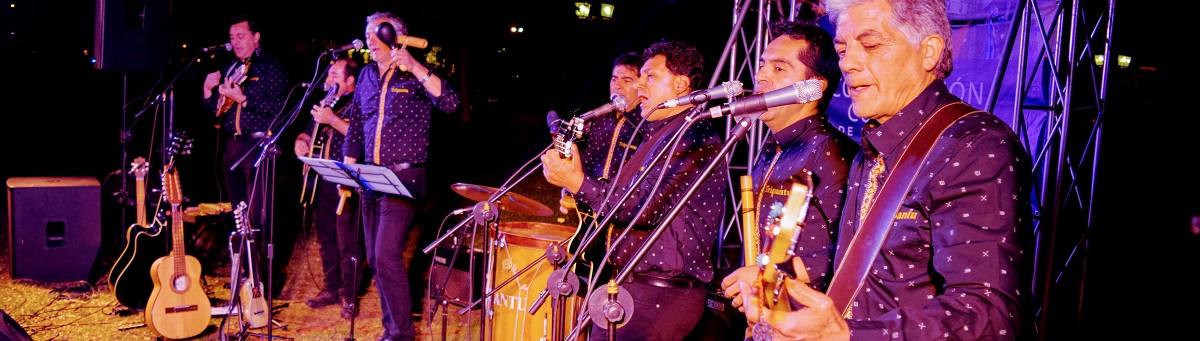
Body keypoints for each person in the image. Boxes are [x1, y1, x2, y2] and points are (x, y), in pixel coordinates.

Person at [724, 0, 1035, 340]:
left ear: (928, 51)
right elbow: (859, 264)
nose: (849, 63)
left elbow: (989, 316)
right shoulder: (871, 150)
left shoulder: (974, 144)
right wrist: (775, 278)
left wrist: (843, 335)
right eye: (842, 50)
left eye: (870, 44)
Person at [541, 39, 726, 341]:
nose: (639, 85)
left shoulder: (693, 135)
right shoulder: (658, 134)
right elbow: (618, 196)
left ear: (681, 84)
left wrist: (576, 182)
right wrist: (575, 183)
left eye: (650, 76)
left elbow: (643, 208)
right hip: (632, 285)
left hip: (661, 295)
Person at [719, 18, 858, 325]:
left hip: (807, 325)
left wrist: (769, 276)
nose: (762, 76)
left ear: (812, 88)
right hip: (763, 318)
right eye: (763, 65)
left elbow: (843, 256)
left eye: (779, 68)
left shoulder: (832, 153)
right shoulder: (771, 147)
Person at [342, 11, 460, 341]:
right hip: (369, 179)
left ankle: (403, 336)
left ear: (398, 38)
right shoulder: (366, 74)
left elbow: (450, 102)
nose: (370, 39)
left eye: (377, 32)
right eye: (367, 33)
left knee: (385, 254)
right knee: (376, 260)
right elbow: (355, 124)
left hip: (404, 179)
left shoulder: (415, 74)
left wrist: (416, 66)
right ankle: (390, 329)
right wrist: (348, 164)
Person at [200, 12, 290, 295]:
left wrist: (245, 99)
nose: (235, 42)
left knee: (258, 215)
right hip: (233, 146)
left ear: (256, 37)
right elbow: (216, 112)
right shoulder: (231, 68)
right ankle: (245, 273)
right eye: (231, 38)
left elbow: (279, 110)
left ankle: (264, 279)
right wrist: (207, 91)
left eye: (240, 36)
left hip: (258, 146)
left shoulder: (273, 68)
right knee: (238, 214)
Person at [557, 51, 644, 285]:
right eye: (615, 79)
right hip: (588, 214)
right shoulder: (599, 119)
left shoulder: (647, 126)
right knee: (580, 275)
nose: (618, 85)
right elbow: (584, 161)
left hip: (622, 220)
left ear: (642, 86)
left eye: (627, 80)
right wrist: (569, 187)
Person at [293, 57, 365, 320]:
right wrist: (300, 142)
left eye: (336, 75)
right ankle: (332, 288)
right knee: (325, 239)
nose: (329, 80)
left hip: (345, 181)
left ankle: (349, 294)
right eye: (329, 74)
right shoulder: (326, 103)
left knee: (348, 241)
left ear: (350, 82)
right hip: (320, 180)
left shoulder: (359, 103)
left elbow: (364, 138)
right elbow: (306, 132)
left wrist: (332, 119)